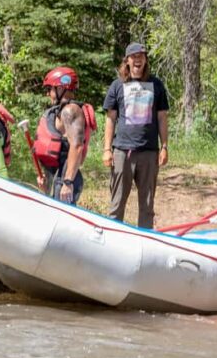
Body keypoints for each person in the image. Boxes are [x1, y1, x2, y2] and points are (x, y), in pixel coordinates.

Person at [102, 43, 169, 228]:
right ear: (127, 61)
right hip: (122, 151)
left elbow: (162, 117)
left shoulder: (156, 85)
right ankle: (113, 240)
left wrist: (164, 146)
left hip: (149, 153)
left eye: (141, 56)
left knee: (147, 206)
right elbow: (110, 118)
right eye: (134, 56)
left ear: (145, 60)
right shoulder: (117, 85)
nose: (138, 59)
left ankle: (145, 242)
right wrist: (107, 149)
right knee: (116, 204)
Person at [32, 66, 97, 205]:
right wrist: (46, 178)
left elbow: (77, 146)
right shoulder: (60, 111)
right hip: (57, 176)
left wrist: (67, 182)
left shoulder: (71, 111)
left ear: (61, 88)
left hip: (65, 179)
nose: (48, 94)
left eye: (50, 89)